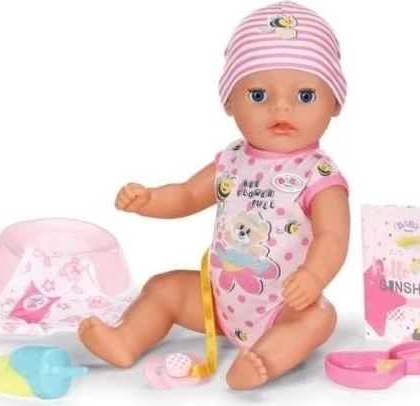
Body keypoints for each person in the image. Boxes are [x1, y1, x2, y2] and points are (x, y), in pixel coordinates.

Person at [78, 1, 350, 390]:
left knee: (319, 318)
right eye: (258, 94)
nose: (281, 106)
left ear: (335, 102)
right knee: (164, 288)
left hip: (286, 305)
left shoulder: (319, 175)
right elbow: (188, 195)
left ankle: (263, 360)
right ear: (229, 102)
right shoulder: (232, 160)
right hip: (219, 300)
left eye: (305, 96)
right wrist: (150, 200)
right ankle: (125, 339)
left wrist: (313, 275)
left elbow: (333, 236)